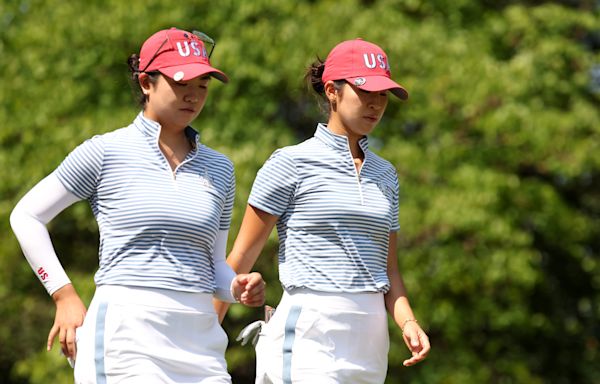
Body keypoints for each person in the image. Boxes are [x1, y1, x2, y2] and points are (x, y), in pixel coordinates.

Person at [10, 27, 265, 383]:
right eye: (181, 83)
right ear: (146, 82)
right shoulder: (105, 151)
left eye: (203, 86)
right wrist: (64, 295)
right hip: (125, 338)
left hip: (200, 343)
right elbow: (26, 215)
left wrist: (237, 287)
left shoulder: (220, 168)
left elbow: (213, 267)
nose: (193, 96)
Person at [215, 38, 430, 383]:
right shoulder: (290, 163)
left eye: (382, 95)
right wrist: (203, 335)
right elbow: (241, 256)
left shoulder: (386, 174)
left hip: (370, 338)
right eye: (366, 92)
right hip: (310, 332)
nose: (376, 104)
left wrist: (408, 322)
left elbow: (388, 270)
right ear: (332, 90)